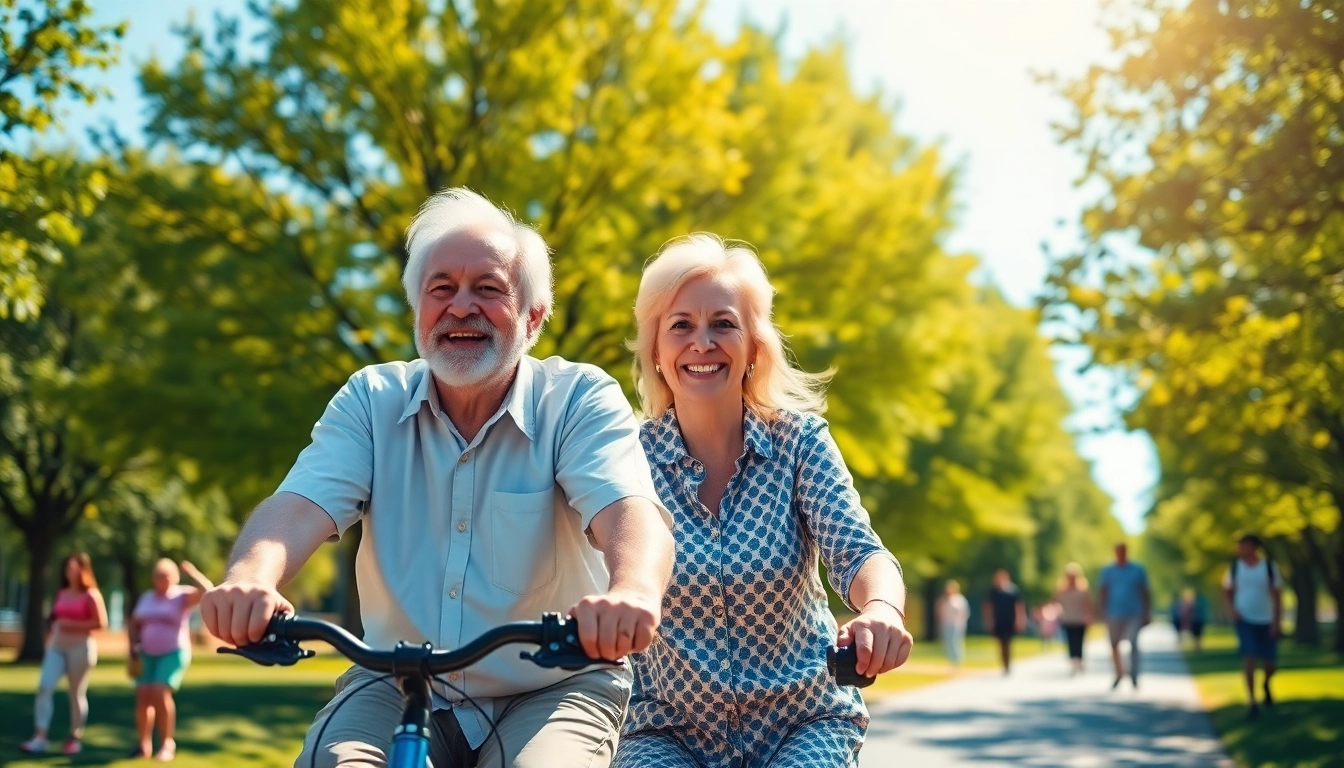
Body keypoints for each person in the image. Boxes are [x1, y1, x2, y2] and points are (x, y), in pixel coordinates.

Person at [199, 188, 675, 768]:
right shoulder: (370, 401)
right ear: (418, 311)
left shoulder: (578, 399)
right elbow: (297, 506)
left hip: (554, 685)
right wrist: (251, 578)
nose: (460, 306)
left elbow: (629, 514)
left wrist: (630, 593)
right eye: (441, 288)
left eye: (489, 288)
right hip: (395, 678)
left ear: (533, 317)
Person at [613, 233, 912, 768]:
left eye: (723, 324)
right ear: (656, 351)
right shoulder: (627, 460)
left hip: (804, 720)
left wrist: (882, 609)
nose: (702, 341)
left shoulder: (801, 444)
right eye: (680, 325)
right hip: (666, 730)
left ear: (754, 346)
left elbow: (860, 552)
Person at [19, 552, 108, 755]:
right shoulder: (61, 593)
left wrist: (73, 625)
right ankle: (40, 736)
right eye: (68, 568)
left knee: (76, 693)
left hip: (80, 648)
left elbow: (101, 623)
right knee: (44, 686)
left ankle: (74, 737)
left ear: (84, 570)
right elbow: (54, 619)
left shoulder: (91, 595)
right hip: (57, 648)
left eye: (75, 568)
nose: (71, 572)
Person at [128, 559, 214, 760]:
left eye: (166, 576)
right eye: (158, 576)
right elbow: (135, 624)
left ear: (174, 577)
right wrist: (132, 646)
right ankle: (144, 745)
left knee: (160, 691)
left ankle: (167, 743)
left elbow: (208, 591)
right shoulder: (147, 597)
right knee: (143, 695)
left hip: (173, 651)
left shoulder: (181, 595)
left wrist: (192, 572)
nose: (162, 580)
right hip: (146, 653)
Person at [1221, 534, 1283, 720]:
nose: (1243, 549)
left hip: (1266, 620)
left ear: (1256, 547)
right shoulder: (1234, 568)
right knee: (1248, 657)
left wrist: (1276, 622)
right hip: (1244, 620)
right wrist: (1231, 610)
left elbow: (1278, 597)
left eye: (1246, 545)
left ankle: (1266, 683)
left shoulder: (1269, 568)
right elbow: (1227, 591)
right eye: (1240, 546)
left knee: (1269, 664)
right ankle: (1252, 701)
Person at [1098, 542, 1150, 690]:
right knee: (1114, 644)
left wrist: (1147, 612)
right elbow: (1103, 591)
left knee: (1132, 642)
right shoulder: (1108, 571)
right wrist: (1101, 611)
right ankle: (1119, 673)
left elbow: (1145, 591)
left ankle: (1134, 674)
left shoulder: (1137, 570)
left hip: (1134, 612)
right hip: (1113, 612)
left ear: (1127, 552)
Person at [983, 568, 1025, 675]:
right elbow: (988, 607)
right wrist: (989, 621)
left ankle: (1008, 664)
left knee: (1008, 642)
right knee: (1001, 643)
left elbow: (1018, 607)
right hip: (998, 620)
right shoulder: (993, 592)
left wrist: (1019, 620)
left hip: (1009, 620)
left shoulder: (1013, 591)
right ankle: (1004, 662)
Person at [1054, 562, 1092, 675]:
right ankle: (1074, 662)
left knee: (1079, 641)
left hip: (1080, 619)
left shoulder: (1083, 589)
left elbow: (1088, 603)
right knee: (1070, 641)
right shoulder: (1061, 589)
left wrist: (1089, 615)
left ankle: (1079, 660)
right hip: (1067, 618)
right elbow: (1056, 602)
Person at [937, 580, 971, 667]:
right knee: (948, 642)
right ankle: (950, 661)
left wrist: (960, 622)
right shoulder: (944, 599)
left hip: (956, 625)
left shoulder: (959, 599)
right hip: (946, 624)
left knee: (956, 642)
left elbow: (964, 612)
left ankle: (957, 661)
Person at [1170, 588, 1209, 653]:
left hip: (1195, 620)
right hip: (1196, 620)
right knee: (1197, 635)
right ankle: (1196, 648)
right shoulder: (1198, 603)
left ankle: (1197, 648)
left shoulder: (1194, 604)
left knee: (1197, 635)